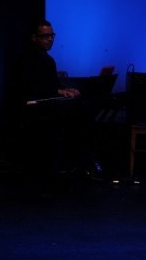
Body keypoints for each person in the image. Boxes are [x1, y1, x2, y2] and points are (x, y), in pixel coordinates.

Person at [12, 19, 91, 191]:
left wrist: (65, 89)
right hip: (32, 111)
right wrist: (58, 91)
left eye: (52, 35)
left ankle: (73, 168)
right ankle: (55, 173)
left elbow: (52, 85)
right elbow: (31, 88)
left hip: (46, 108)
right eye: (45, 36)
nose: (50, 39)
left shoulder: (49, 60)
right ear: (34, 37)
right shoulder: (26, 60)